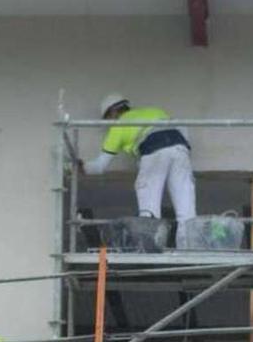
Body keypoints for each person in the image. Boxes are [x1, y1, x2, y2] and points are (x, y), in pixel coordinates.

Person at [82, 93, 197, 247]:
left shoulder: (119, 126)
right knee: (185, 206)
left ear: (113, 112)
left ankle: (151, 247)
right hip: (180, 148)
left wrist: (81, 167)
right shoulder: (155, 111)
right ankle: (188, 248)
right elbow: (182, 128)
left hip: (153, 151)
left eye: (108, 119)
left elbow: (99, 166)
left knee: (149, 205)